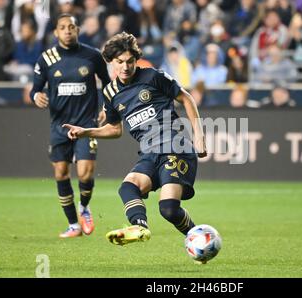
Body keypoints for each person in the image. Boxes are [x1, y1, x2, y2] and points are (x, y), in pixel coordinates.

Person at [63, 32, 207, 249]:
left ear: (136, 60)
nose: (125, 67)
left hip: (174, 147)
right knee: (128, 187)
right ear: (111, 62)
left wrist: (199, 135)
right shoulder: (110, 92)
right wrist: (86, 132)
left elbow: (185, 97)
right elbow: (114, 129)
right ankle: (140, 227)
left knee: (168, 209)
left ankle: (199, 239)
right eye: (120, 62)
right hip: (149, 153)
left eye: (130, 61)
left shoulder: (152, 76)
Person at [29, 14, 111, 238]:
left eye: (72, 27)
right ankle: (73, 225)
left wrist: (107, 108)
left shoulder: (92, 55)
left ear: (78, 30)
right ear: (56, 32)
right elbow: (35, 88)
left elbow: (108, 84)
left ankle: (84, 207)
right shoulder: (46, 58)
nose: (67, 31)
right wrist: (36, 96)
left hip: (86, 125)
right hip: (59, 127)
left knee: (85, 172)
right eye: (63, 27)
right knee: (61, 173)